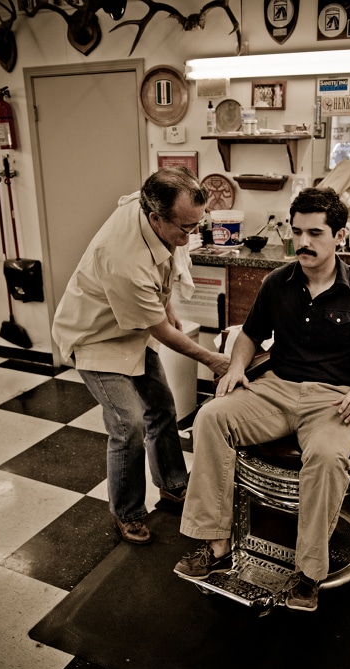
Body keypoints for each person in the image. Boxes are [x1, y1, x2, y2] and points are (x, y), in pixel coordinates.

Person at [174, 187, 350, 612]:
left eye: (315, 232)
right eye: (297, 232)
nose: (304, 242)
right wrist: (238, 367)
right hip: (276, 388)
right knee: (210, 417)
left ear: (339, 236)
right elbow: (249, 335)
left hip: (333, 400)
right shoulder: (278, 282)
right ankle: (217, 544)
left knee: (330, 456)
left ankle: (308, 571)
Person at [52, 167, 229, 545]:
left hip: (130, 329)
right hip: (96, 337)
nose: (191, 235)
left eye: (197, 224)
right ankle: (128, 512)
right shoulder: (121, 258)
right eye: (185, 228)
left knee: (162, 407)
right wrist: (213, 360)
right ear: (155, 218)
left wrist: (167, 306)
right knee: (128, 424)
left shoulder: (150, 200)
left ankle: (172, 484)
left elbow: (160, 282)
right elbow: (161, 333)